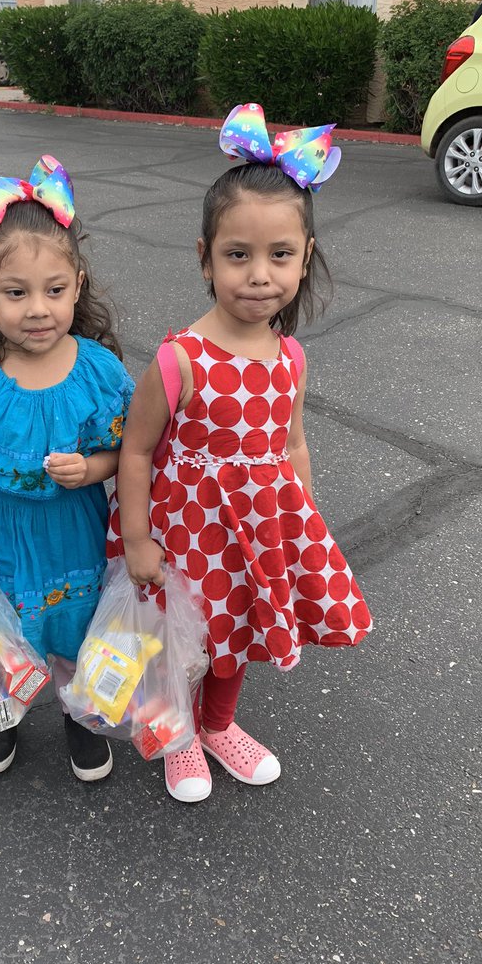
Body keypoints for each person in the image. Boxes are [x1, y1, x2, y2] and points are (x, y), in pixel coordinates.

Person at [110, 103, 372, 803]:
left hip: (255, 533)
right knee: (183, 641)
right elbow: (136, 452)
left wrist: (303, 520)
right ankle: (179, 734)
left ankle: (220, 725)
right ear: (205, 258)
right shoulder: (180, 359)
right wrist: (137, 538)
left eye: (280, 255)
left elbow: (291, 441)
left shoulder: (291, 357)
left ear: (305, 257)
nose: (260, 275)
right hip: (184, 532)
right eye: (238, 255)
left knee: (237, 634)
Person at [0, 155, 134, 781]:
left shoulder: (99, 371)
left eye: (54, 290)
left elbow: (132, 452)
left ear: (77, 284)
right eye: (15, 292)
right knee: (6, 636)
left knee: (79, 632)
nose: (37, 309)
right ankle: (0, 719)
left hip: (76, 529)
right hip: (4, 536)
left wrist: (94, 466)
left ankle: (82, 720)